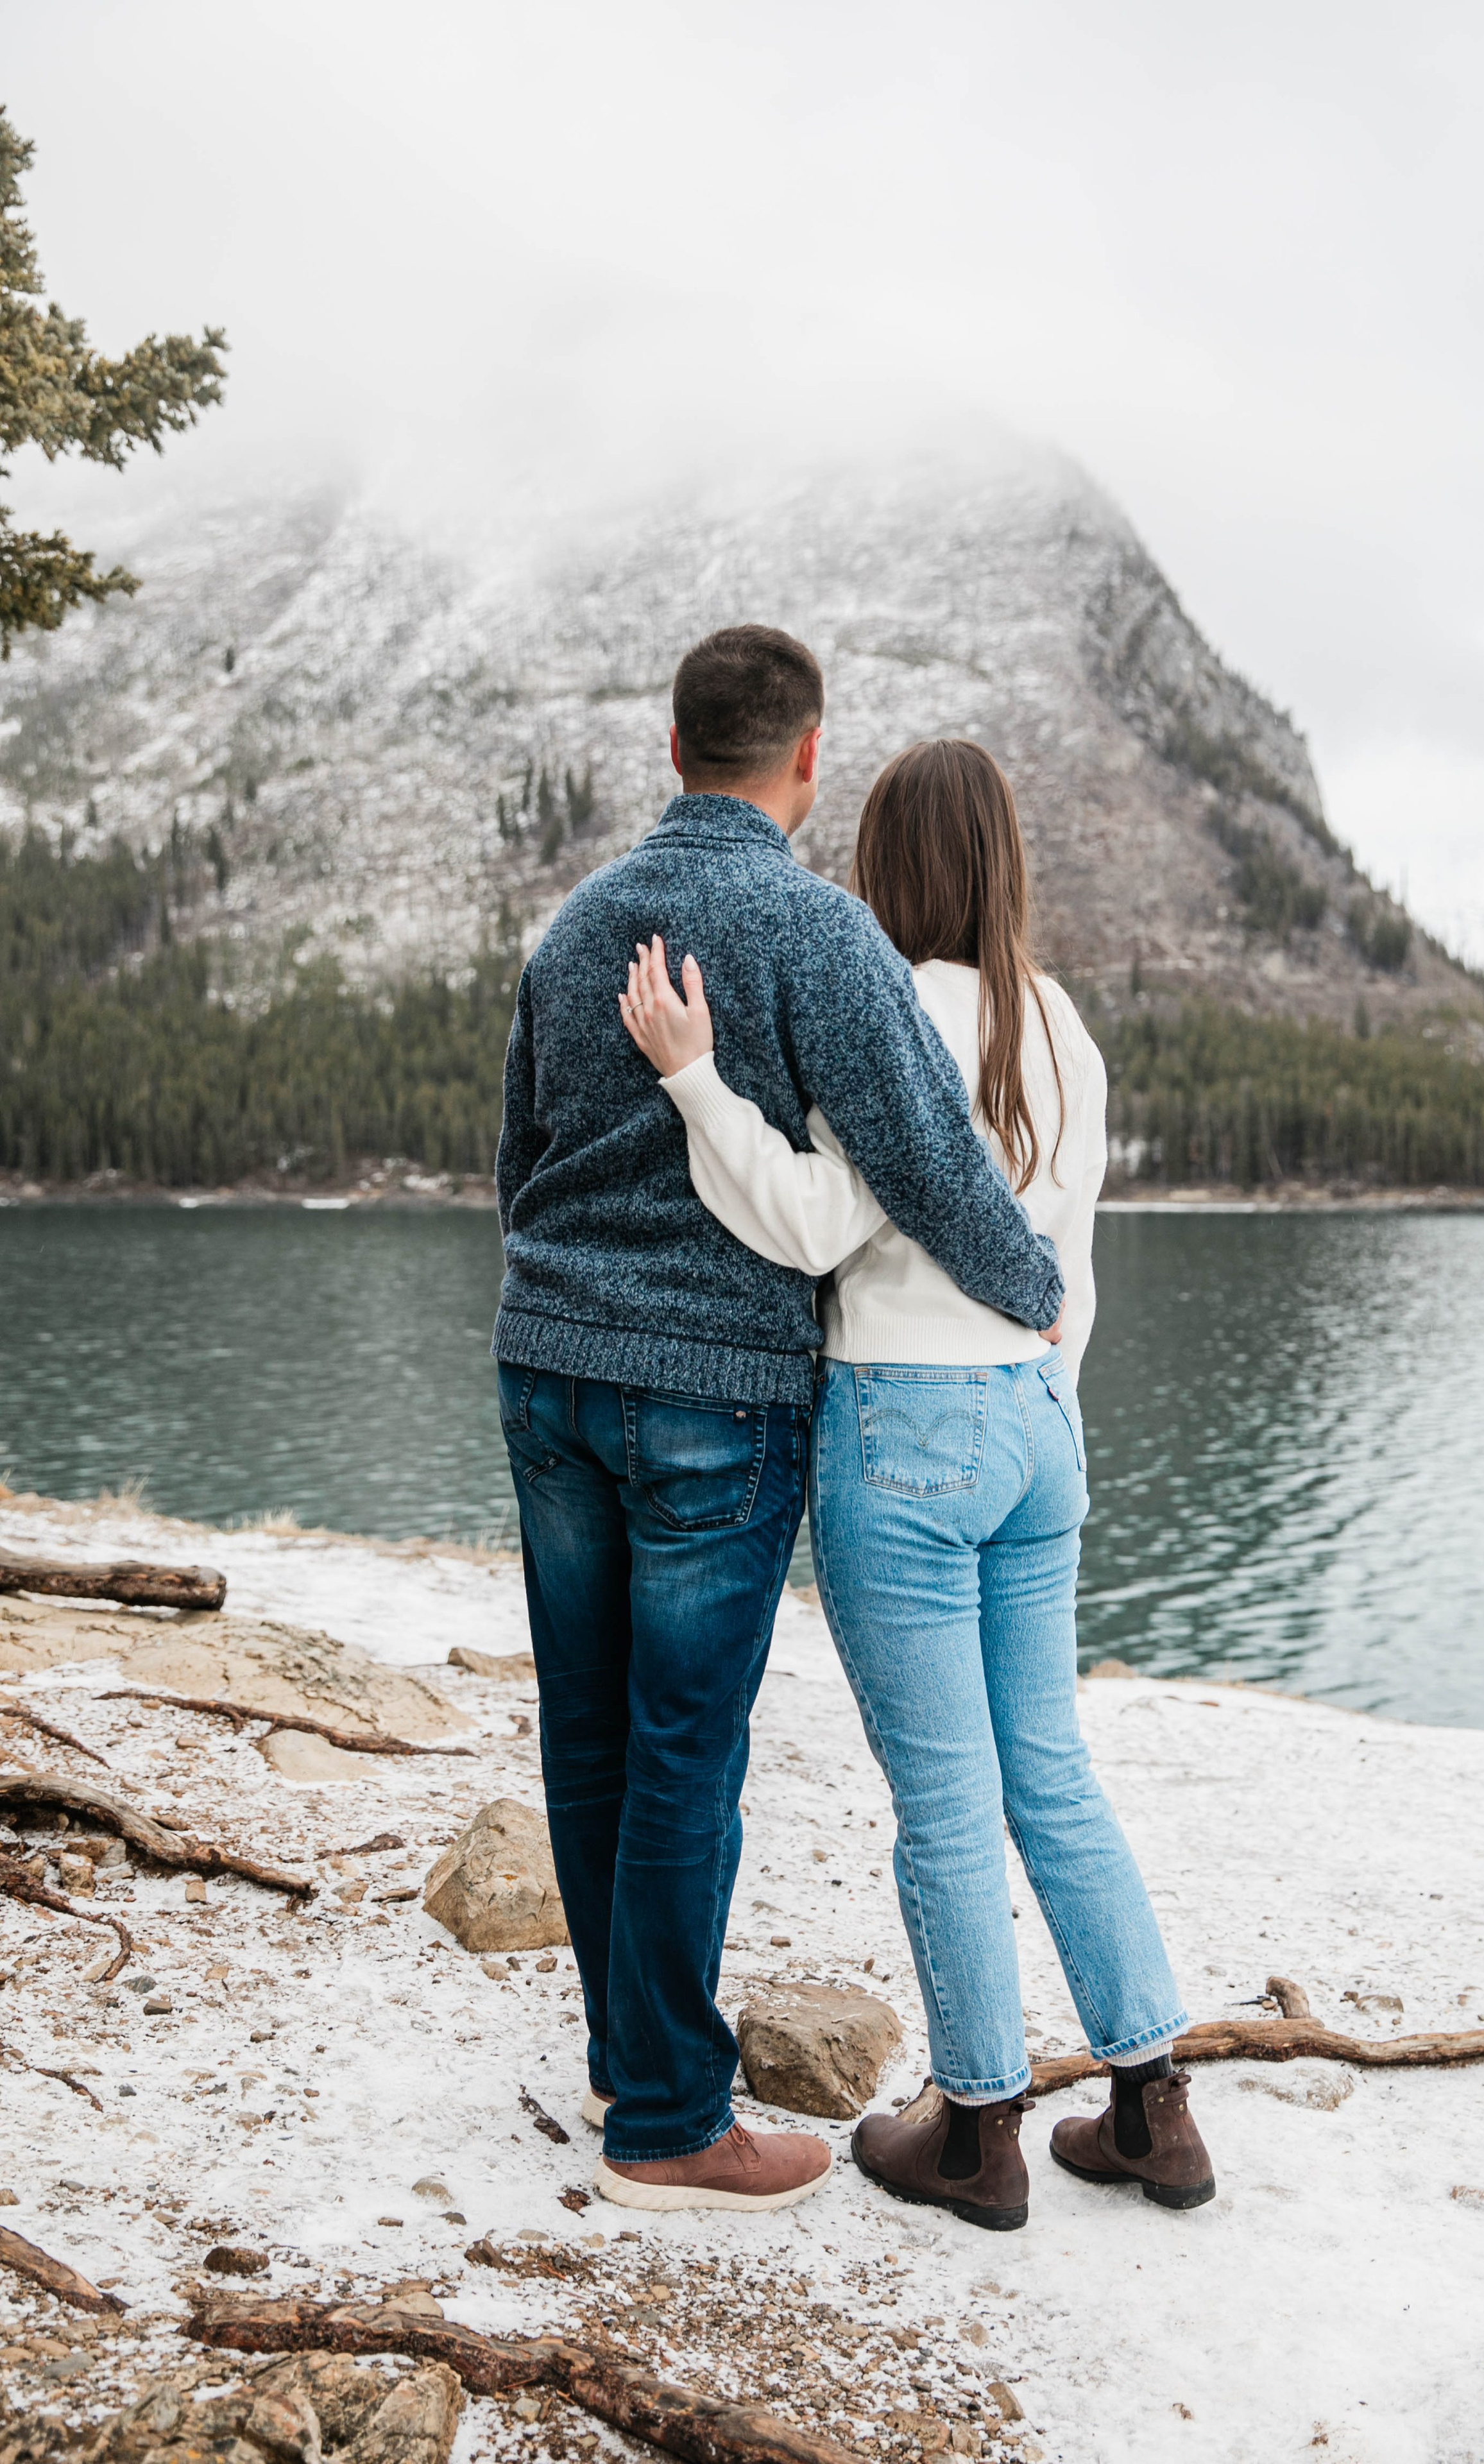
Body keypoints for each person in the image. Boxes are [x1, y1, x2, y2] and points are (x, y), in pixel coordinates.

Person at [493, 631, 1066, 2215]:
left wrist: (555, 1304)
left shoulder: (572, 929)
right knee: (684, 1746)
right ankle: (669, 2120)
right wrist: (1029, 1287)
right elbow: (929, 1157)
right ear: (806, 762)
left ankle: (632, 2057)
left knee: (591, 1733)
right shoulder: (817, 932)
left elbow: (514, 1161)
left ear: (671, 746)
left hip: (545, 1368)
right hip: (712, 1398)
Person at [618, 736, 1213, 2232]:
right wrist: (1044, 1408)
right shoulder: (1059, 1022)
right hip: (1038, 1422)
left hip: (906, 1429)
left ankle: (973, 2132)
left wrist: (694, 1084)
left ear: (889, 868)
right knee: (1052, 1776)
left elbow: (814, 1222)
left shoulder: (893, 1009)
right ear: (1005, 861)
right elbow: (1066, 1266)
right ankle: (1152, 2108)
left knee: (945, 1801)